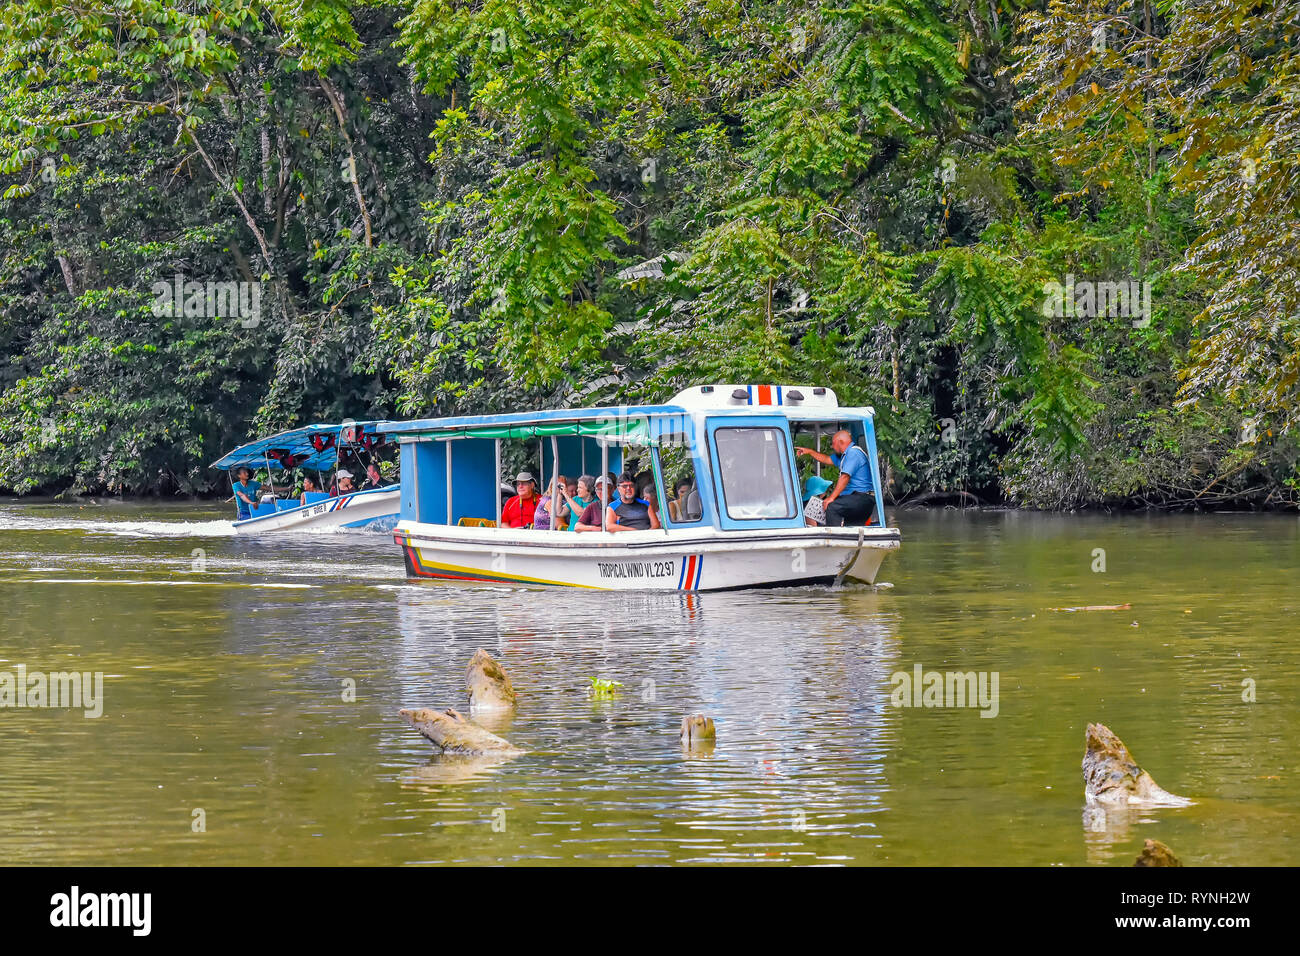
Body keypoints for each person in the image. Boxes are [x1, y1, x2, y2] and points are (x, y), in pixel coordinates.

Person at [795, 430, 875, 526]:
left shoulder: (853, 453)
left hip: (862, 498)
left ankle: (832, 537)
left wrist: (831, 498)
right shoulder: (844, 456)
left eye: (833, 443)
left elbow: (845, 477)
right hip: (855, 498)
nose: (832, 446)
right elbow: (826, 459)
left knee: (832, 507)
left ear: (841, 442)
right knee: (848, 524)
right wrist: (810, 452)